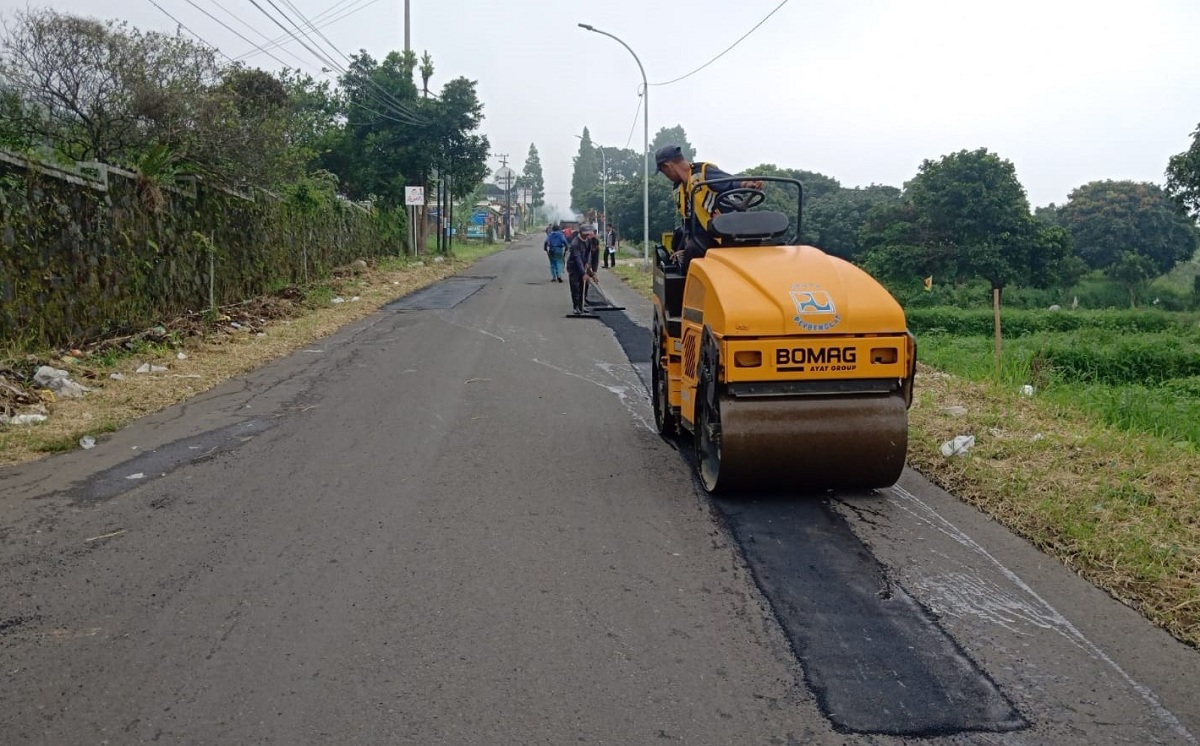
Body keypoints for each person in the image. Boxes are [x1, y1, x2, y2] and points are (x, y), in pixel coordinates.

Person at [655, 144, 762, 269]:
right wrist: (682, 249)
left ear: (667, 167)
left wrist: (746, 183)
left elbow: (729, 181)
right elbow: (688, 222)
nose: (666, 176)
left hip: (726, 230)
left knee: (693, 249)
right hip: (705, 236)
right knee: (684, 245)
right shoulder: (678, 189)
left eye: (664, 172)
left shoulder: (703, 173)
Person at [565, 224, 598, 314]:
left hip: (583, 265)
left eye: (588, 233)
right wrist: (583, 273)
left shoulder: (588, 241)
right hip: (573, 267)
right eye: (585, 234)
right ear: (580, 233)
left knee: (584, 286)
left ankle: (581, 305)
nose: (587, 235)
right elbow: (577, 258)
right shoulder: (575, 243)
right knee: (575, 287)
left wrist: (587, 263)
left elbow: (588, 253)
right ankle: (576, 307)